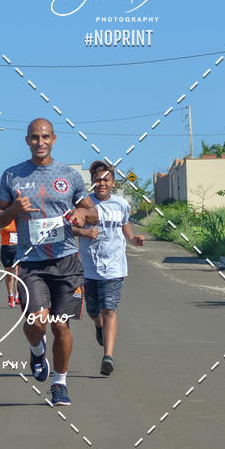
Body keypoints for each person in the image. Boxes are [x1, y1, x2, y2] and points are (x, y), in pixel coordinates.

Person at [0, 118, 98, 406]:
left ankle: (60, 383)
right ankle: (36, 350)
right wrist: (14, 208)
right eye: (35, 138)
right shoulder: (12, 175)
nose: (40, 142)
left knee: (61, 326)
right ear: (27, 140)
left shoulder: (69, 175)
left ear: (54, 139)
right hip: (31, 261)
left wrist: (80, 214)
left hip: (66, 261)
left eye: (46, 137)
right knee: (36, 323)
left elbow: (92, 213)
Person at [73, 161, 144, 375]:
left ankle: (108, 356)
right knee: (93, 310)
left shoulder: (121, 204)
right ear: (92, 182)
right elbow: (70, 228)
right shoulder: (83, 205)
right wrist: (85, 233)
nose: (101, 183)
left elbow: (124, 224)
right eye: (97, 179)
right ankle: (98, 326)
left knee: (109, 309)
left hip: (114, 266)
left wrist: (132, 240)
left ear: (113, 182)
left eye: (106, 179)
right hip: (89, 266)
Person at [0, 217, 19, 307]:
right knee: (9, 274)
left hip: (17, 248)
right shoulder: (2, 220)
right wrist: (0, 228)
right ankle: (10, 295)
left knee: (17, 272)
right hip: (6, 248)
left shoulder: (18, 219)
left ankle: (18, 295)